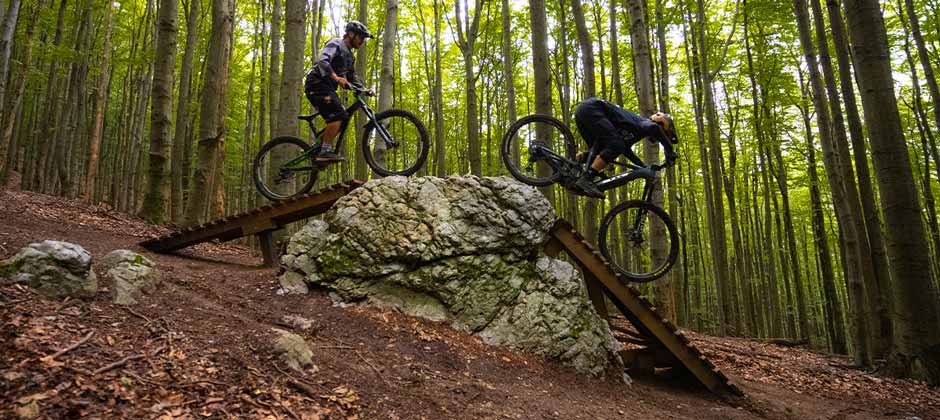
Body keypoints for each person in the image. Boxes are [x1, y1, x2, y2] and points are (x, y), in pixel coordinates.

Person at [572, 97, 679, 198]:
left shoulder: (635, 134)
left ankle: (573, 163)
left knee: (605, 151)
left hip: (584, 113)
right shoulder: (644, 123)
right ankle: (586, 179)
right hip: (593, 109)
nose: (659, 137)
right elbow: (654, 127)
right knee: (615, 145)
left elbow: (626, 150)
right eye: (664, 133)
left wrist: (642, 166)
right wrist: (669, 150)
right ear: (661, 124)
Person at [304, 21, 375, 161]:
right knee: (338, 115)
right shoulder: (336, 43)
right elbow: (323, 61)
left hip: (327, 88)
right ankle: (325, 151)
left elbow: (351, 77)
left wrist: (364, 90)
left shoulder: (350, 56)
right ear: (351, 34)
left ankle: (319, 147)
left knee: (343, 117)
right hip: (316, 84)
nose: (362, 41)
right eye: (361, 37)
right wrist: (336, 78)